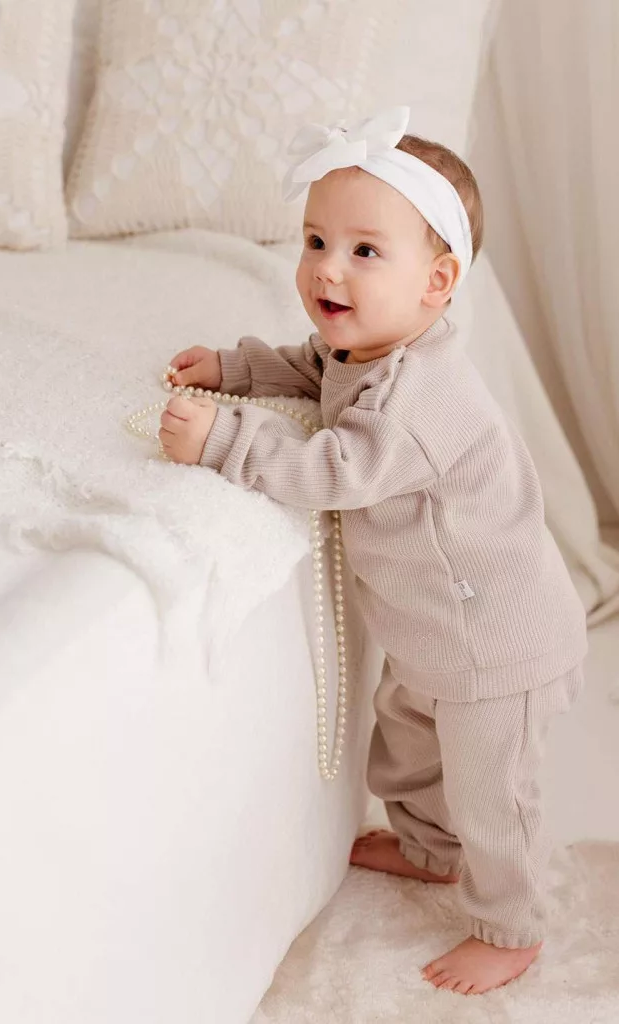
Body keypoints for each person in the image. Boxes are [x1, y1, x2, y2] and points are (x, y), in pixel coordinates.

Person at [159, 107, 587, 996]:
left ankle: (511, 926)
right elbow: (312, 368)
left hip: (499, 645)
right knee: (406, 753)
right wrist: (236, 371)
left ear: (437, 282)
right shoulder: (365, 348)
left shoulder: (421, 396)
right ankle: (430, 851)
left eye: (363, 251)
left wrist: (223, 439)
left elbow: (337, 468)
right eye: (316, 240)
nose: (326, 267)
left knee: (493, 797)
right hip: (435, 633)